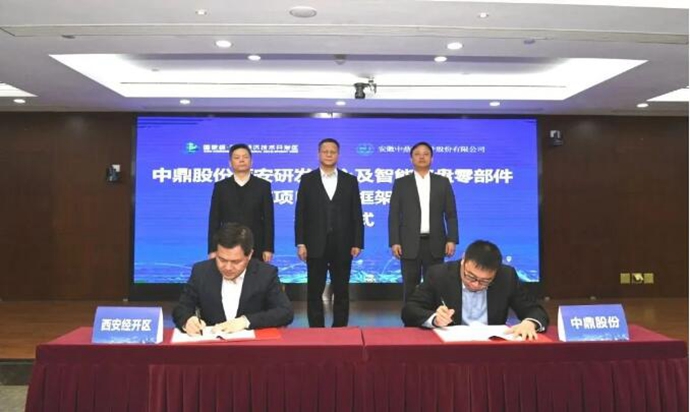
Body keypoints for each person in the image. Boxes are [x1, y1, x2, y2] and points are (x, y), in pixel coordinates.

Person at [401, 240, 549, 340]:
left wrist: (530, 323)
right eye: (470, 276)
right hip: (450, 349)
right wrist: (435, 319)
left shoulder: (506, 276)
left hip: (492, 348)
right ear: (463, 260)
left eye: (485, 281)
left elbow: (534, 310)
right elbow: (410, 310)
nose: (476, 284)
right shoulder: (439, 274)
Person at [173, 223, 293, 335]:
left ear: (249, 255)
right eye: (222, 260)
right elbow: (181, 308)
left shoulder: (265, 274)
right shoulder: (201, 271)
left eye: (236, 262)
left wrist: (245, 321)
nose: (228, 267)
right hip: (212, 345)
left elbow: (285, 312)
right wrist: (187, 320)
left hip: (253, 346)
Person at [295, 138, 364, 327]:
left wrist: (358, 242)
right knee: (314, 290)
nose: (328, 154)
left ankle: (340, 329)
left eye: (332, 151)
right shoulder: (307, 180)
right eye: (325, 151)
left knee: (341, 290)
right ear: (319, 154)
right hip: (314, 244)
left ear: (338, 155)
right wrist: (301, 243)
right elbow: (300, 213)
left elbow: (357, 214)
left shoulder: (350, 181)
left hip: (343, 244)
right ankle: (316, 329)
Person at [388, 141, 458, 301]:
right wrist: (395, 241)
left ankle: (433, 315)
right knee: (410, 287)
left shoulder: (442, 182)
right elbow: (394, 215)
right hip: (408, 244)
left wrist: (452, 239)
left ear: (432, 159)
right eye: (417, 154)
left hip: (436, 243)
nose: (421, 157)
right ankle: (410, 316)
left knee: (435, 286)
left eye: (426, 154)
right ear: (411, 159)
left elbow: (451, 214)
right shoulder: (401, 183)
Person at [208, 143, 274, 262]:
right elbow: (214, 220)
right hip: (227, 245)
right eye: (237, 158)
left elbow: (268, 220)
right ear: (230, 163)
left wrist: (268, 248)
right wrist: (213, 249)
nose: (241, 160)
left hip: (256, 246)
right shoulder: (221, 187)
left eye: (245, 157)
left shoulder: (263, 186)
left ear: (251, 162)